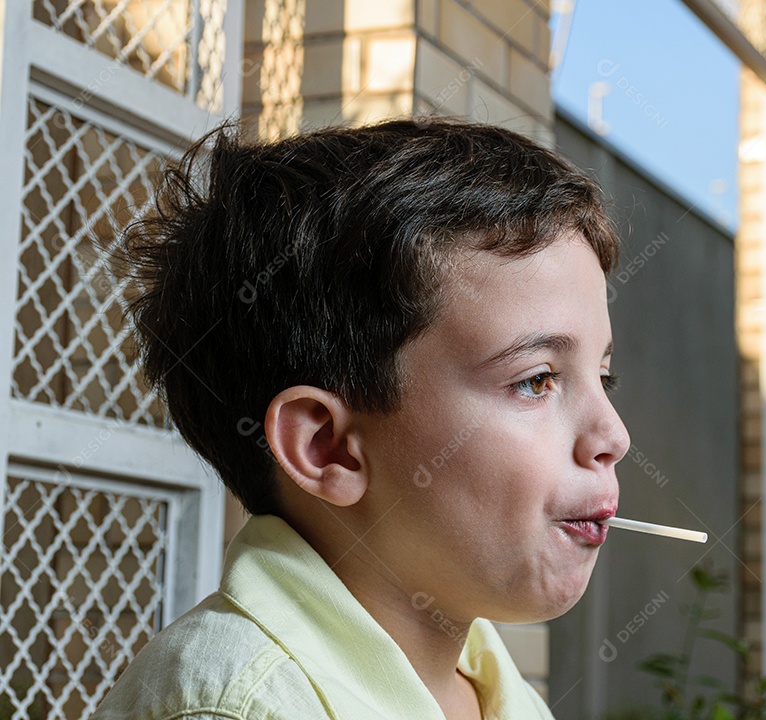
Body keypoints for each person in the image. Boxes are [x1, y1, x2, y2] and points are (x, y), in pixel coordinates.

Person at [90, 117, 631, 719]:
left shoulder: (503, 697)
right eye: (536, 381)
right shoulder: (236, 706)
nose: (614, 437)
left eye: (603, 377)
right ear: (329, 448)